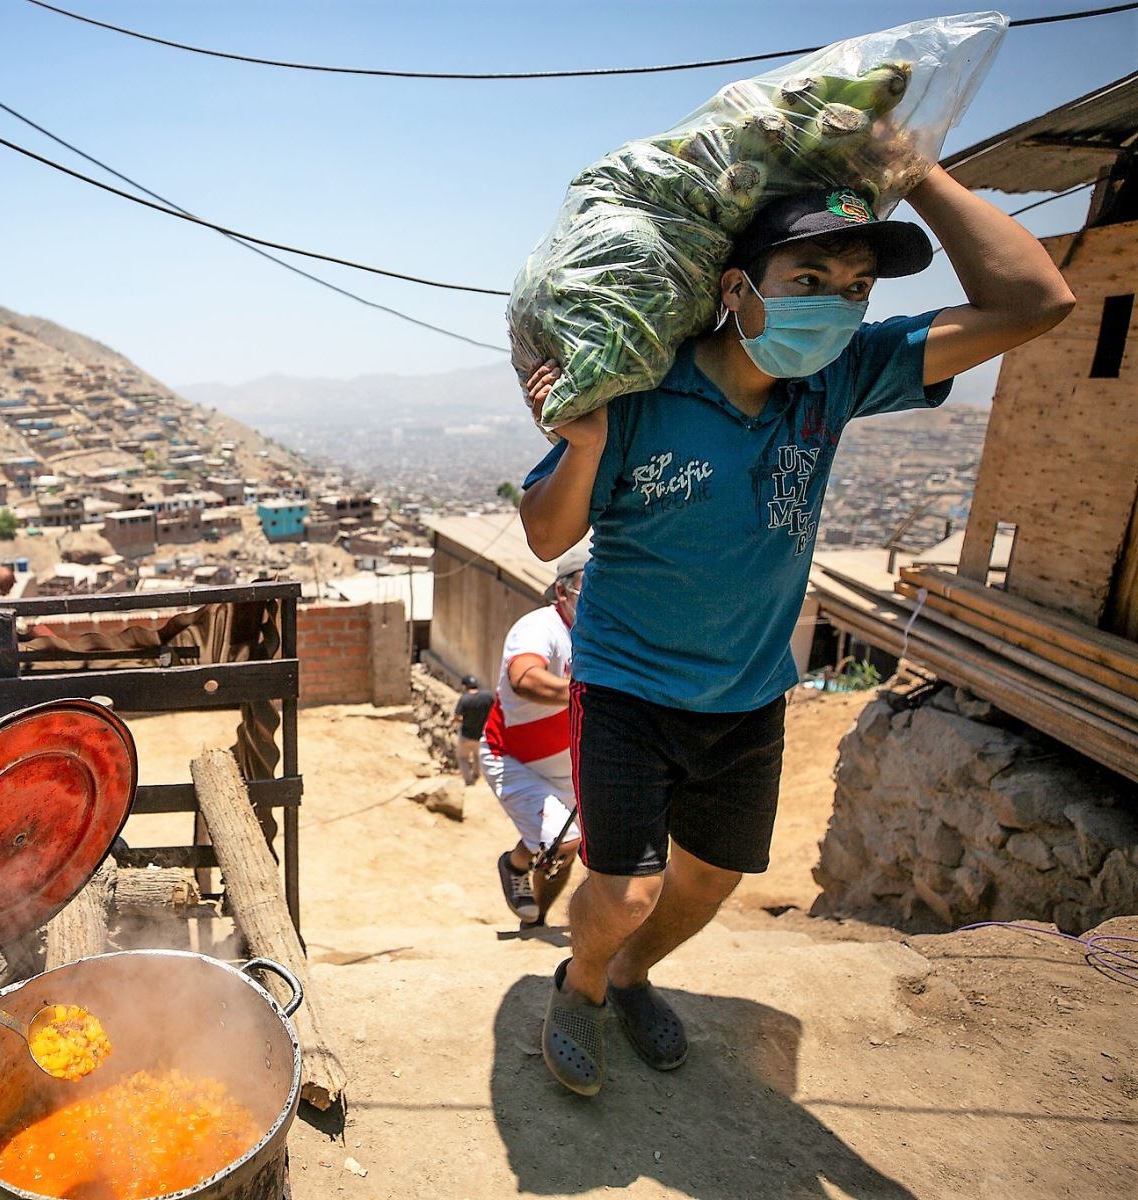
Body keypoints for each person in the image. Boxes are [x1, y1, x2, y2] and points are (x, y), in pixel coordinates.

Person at [518, 166, 1074, 1098]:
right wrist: (580, 445)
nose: (837, 309)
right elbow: (545, 535)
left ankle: (632, 972)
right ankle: (580, 985)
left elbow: (1037, 301)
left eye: (856, 290)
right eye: (808, 283)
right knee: (626, 890)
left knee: (711, 882)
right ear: (738, 291)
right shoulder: (644, 388)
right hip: (627, 685)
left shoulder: (838, 377)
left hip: (750, 690)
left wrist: (920, 175)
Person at [480, 546, 586, 927]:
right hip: (513, 757)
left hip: (570, 766)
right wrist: (585, 691)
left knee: (569, 848)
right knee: (567, 839)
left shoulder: (607, 633)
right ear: (562, 592)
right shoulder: (540, 627)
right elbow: (524, 678)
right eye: (587, 586)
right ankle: (514, 865)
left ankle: (538, 916)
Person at [451, 675, 493, 786]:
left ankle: (469, 781)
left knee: (462, 758)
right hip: (482, 734)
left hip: (466, 734)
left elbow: (457, 717)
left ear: (465, 686)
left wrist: (461, 720)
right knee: (477, 755)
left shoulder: (465, 699)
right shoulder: (487, 696)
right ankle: (476, 774)